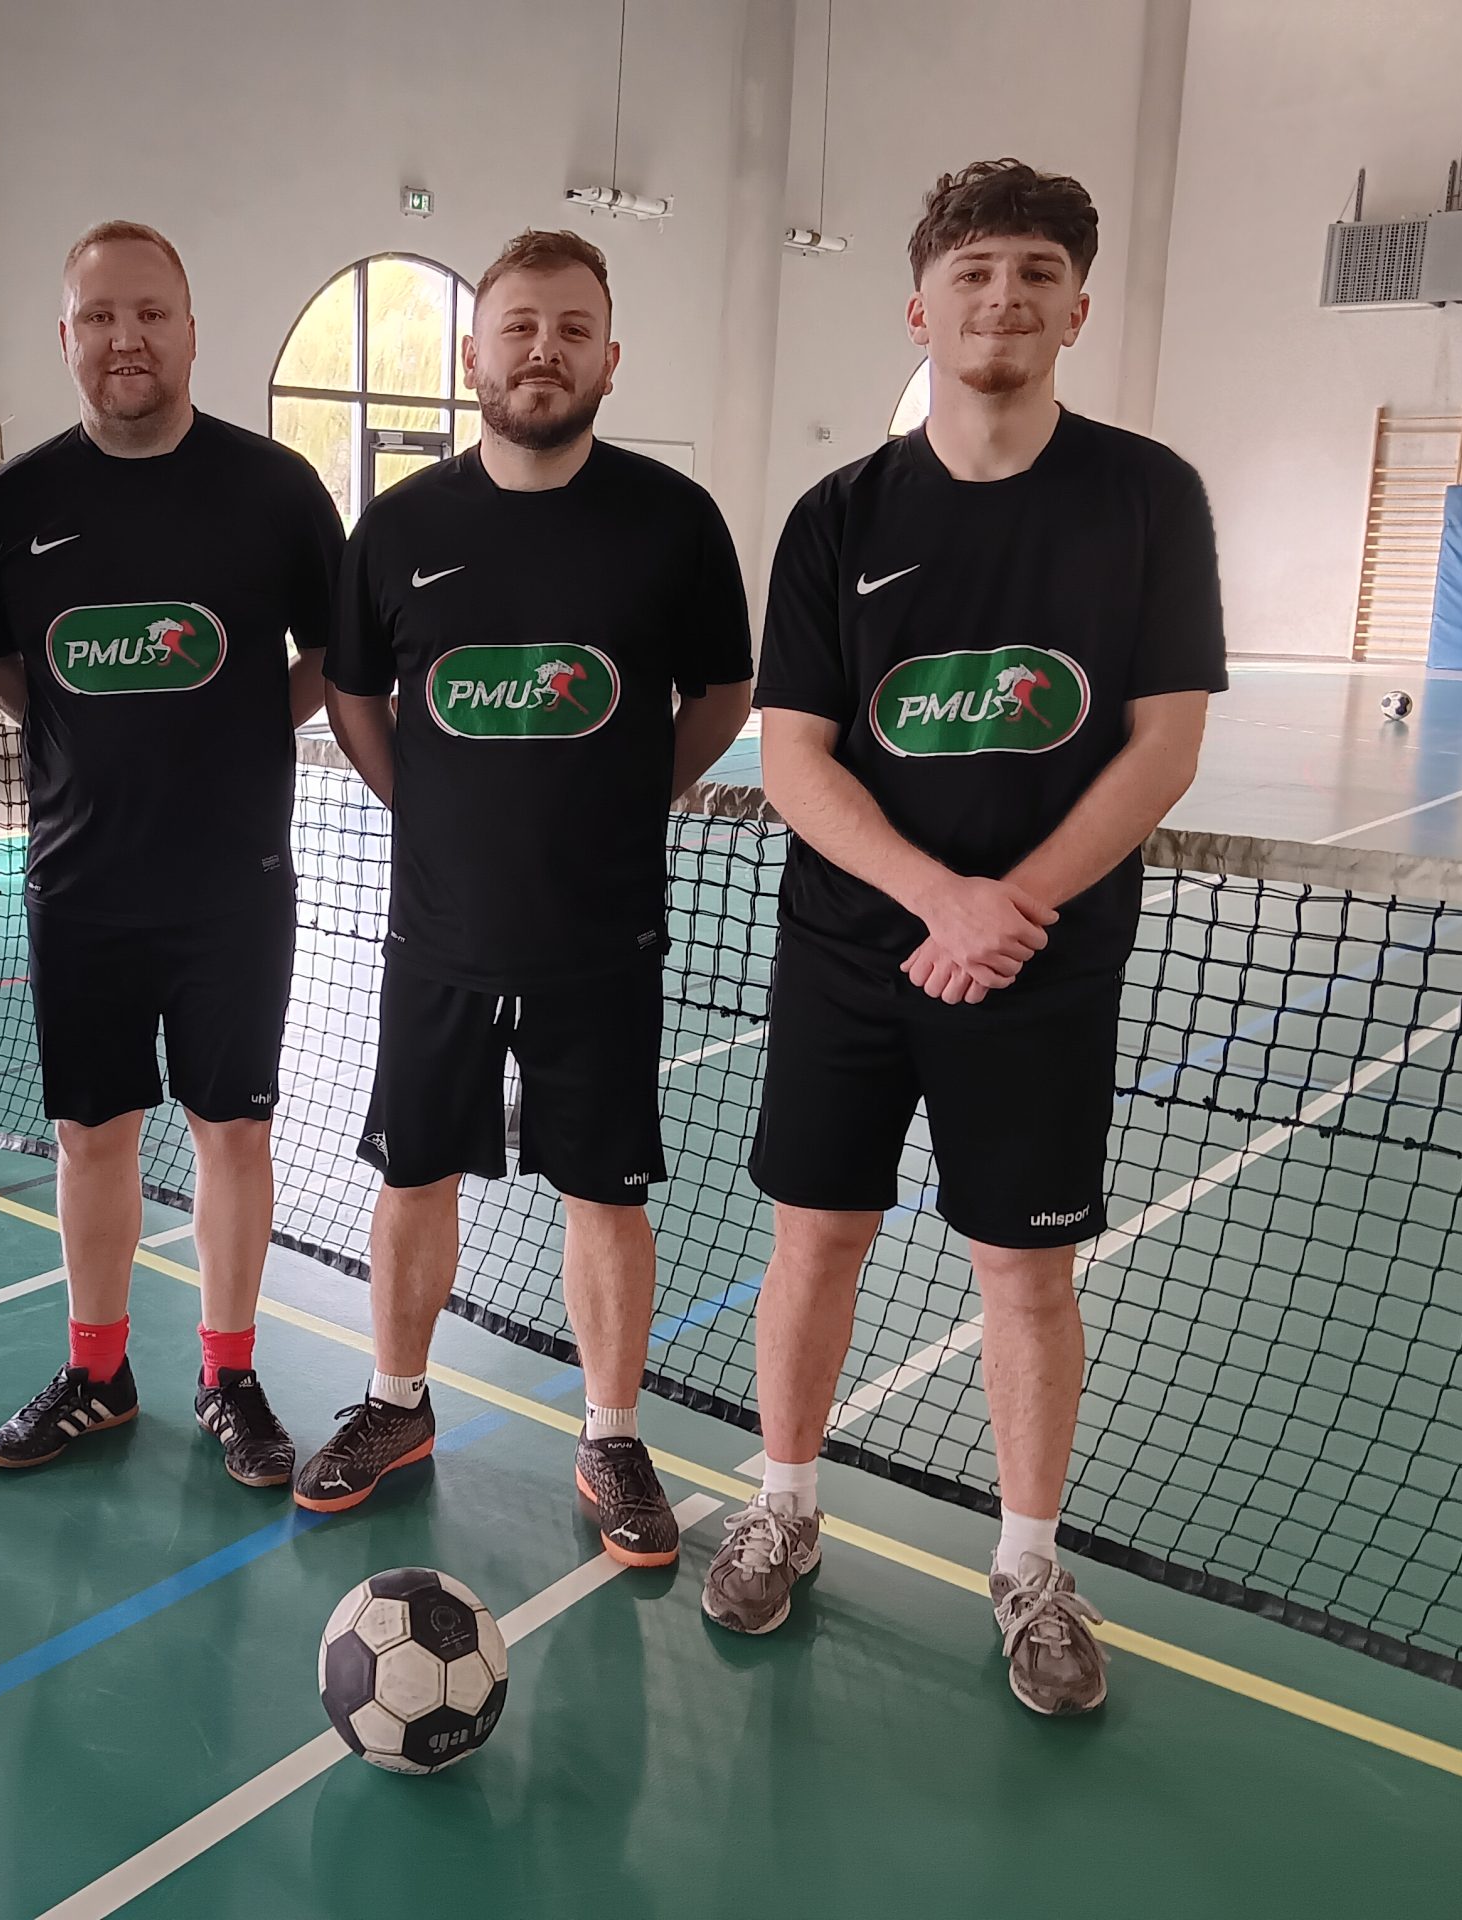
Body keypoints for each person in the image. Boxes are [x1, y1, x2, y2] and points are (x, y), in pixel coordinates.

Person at [703, 160, 1225, 1716]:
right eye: (975, 273)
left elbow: (1162, 743)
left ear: (1078, 308)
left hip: (1043, 967)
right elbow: (797, 754)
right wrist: (944, 899)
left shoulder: (1150, 498)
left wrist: (1013, 909)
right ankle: (784, 1504)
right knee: (817, 1241)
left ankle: (1030, 1565)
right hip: (852, 957)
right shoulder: (836, 517)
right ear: (921, 309)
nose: (1005, 298)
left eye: (1035, 273)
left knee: (1025, 1272)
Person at [296, 228, 755, 1567]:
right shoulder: (401, 528)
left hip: (600, 931)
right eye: (519, 327)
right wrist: (427, 810)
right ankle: (397, 1404)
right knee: (413, 1174)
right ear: (473, 353)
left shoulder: (674, 522)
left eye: (570, 329)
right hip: (438, 930)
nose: (542, 350)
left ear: (610, 357)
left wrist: (633, 796)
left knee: (605, 1192)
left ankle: (611, 1435)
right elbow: (354, 696)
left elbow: (723, 692)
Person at [0, 221, 344, 1484]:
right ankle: (99, 1373)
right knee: (92, 1135)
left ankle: (229, 1376)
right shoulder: (17, 505)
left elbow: (333, 653)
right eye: (98, 316)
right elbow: (1, 662)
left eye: (149, 314)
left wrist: (243, 718)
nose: (125, 338)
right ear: (64, 336)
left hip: (234, 886)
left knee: (230, 1132)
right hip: (82, 885)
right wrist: (93, 731)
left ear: (189, 329)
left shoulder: (275, 490)